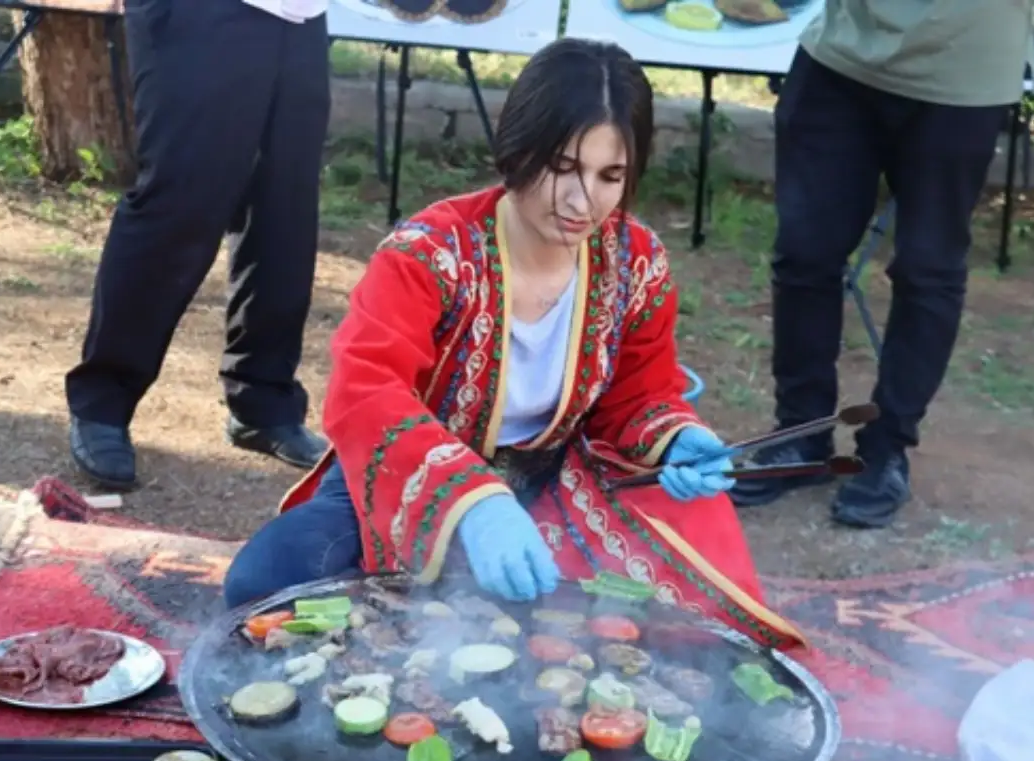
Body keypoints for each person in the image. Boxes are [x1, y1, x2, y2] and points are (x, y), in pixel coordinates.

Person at [222, 38, 806, 650]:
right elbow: (365, 391)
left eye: (611, 176)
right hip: (412, 469)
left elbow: (640, 394)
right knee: (266, 584)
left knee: (673, 619)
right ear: (518, 149)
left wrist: (677, 438)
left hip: (554, 480)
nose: (585, 202)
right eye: (563, 168)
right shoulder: (429, 254)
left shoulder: (636, 263)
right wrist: (474, 503)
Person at [729, 1, 1034, 528]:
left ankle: (886, 447)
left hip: (964, 72)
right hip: (842, 57)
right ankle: (801, 435)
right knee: (806, 251)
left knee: (927, 269)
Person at [63, 0, 333, 490]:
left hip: (301, 17)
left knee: (284, 207)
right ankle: (103, 401)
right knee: (181, 201)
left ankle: (263, 399)